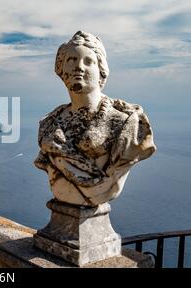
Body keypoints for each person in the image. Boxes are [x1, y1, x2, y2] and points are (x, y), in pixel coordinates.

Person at [34, 31, 156, 206]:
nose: (79, 67)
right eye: (71, 60)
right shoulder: (49, 124)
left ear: (101, 70)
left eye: (88, 61)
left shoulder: (125, 123)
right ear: (61, 70)